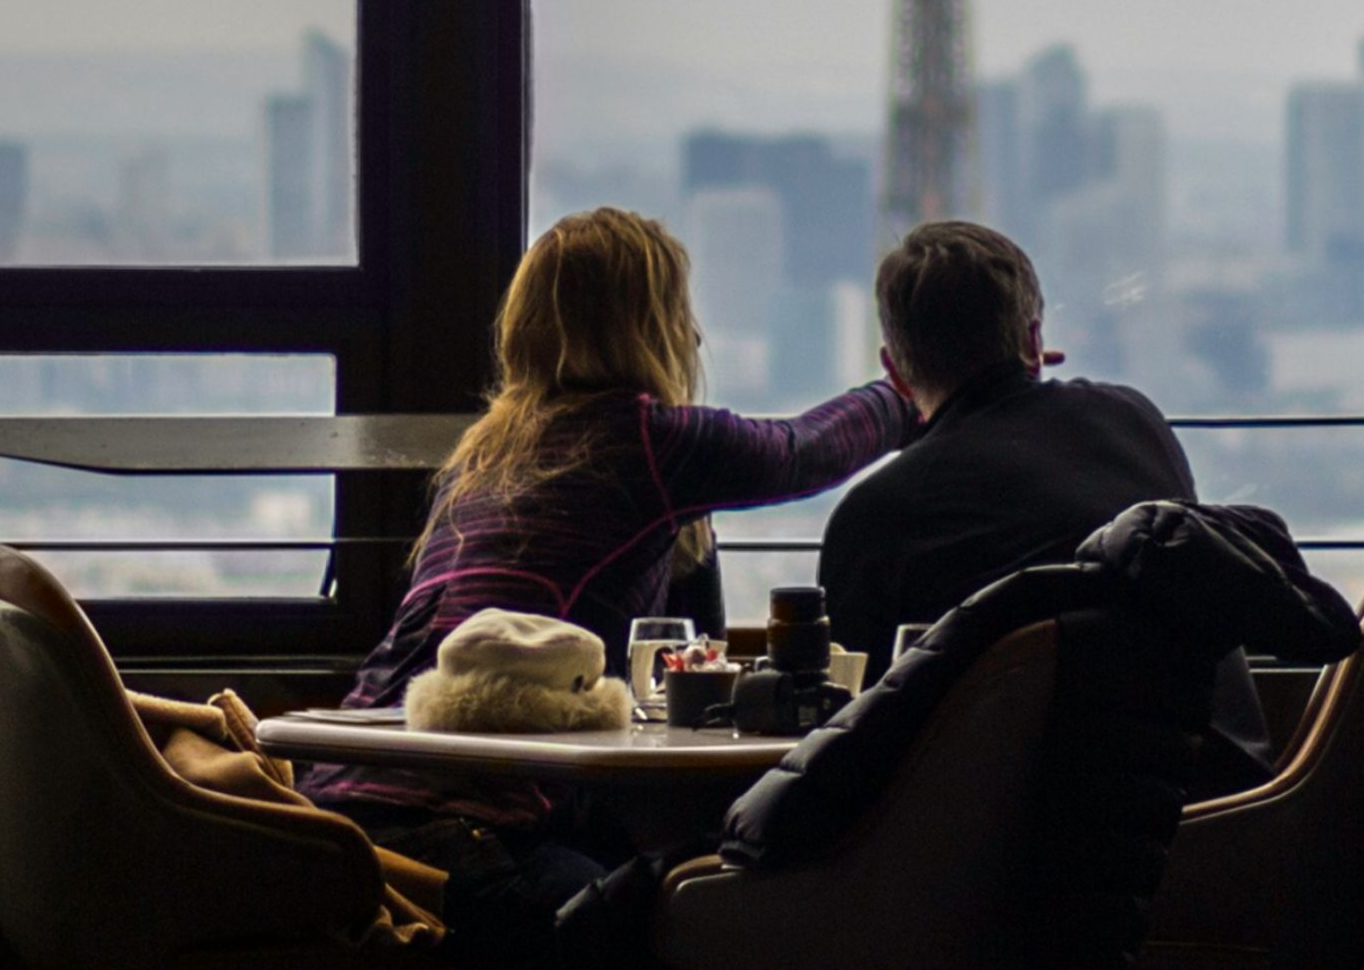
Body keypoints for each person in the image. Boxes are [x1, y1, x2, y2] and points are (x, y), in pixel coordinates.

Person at [298, 207, 915, 964]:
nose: (692, 336)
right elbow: (800, 453)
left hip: (339, 813)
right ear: (648, 324)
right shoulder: (642, 437)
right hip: (462, 833)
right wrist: (906, 391)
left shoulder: (488, 451)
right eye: (679, 313)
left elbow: (691, 650)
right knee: (690, 924)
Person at [819, 219, 1275, 798]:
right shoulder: (1135, 423)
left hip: (1008, 853)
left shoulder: (877, 515)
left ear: (892, 371)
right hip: (1225, 810)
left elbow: (858, 720)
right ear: (1034, 340)